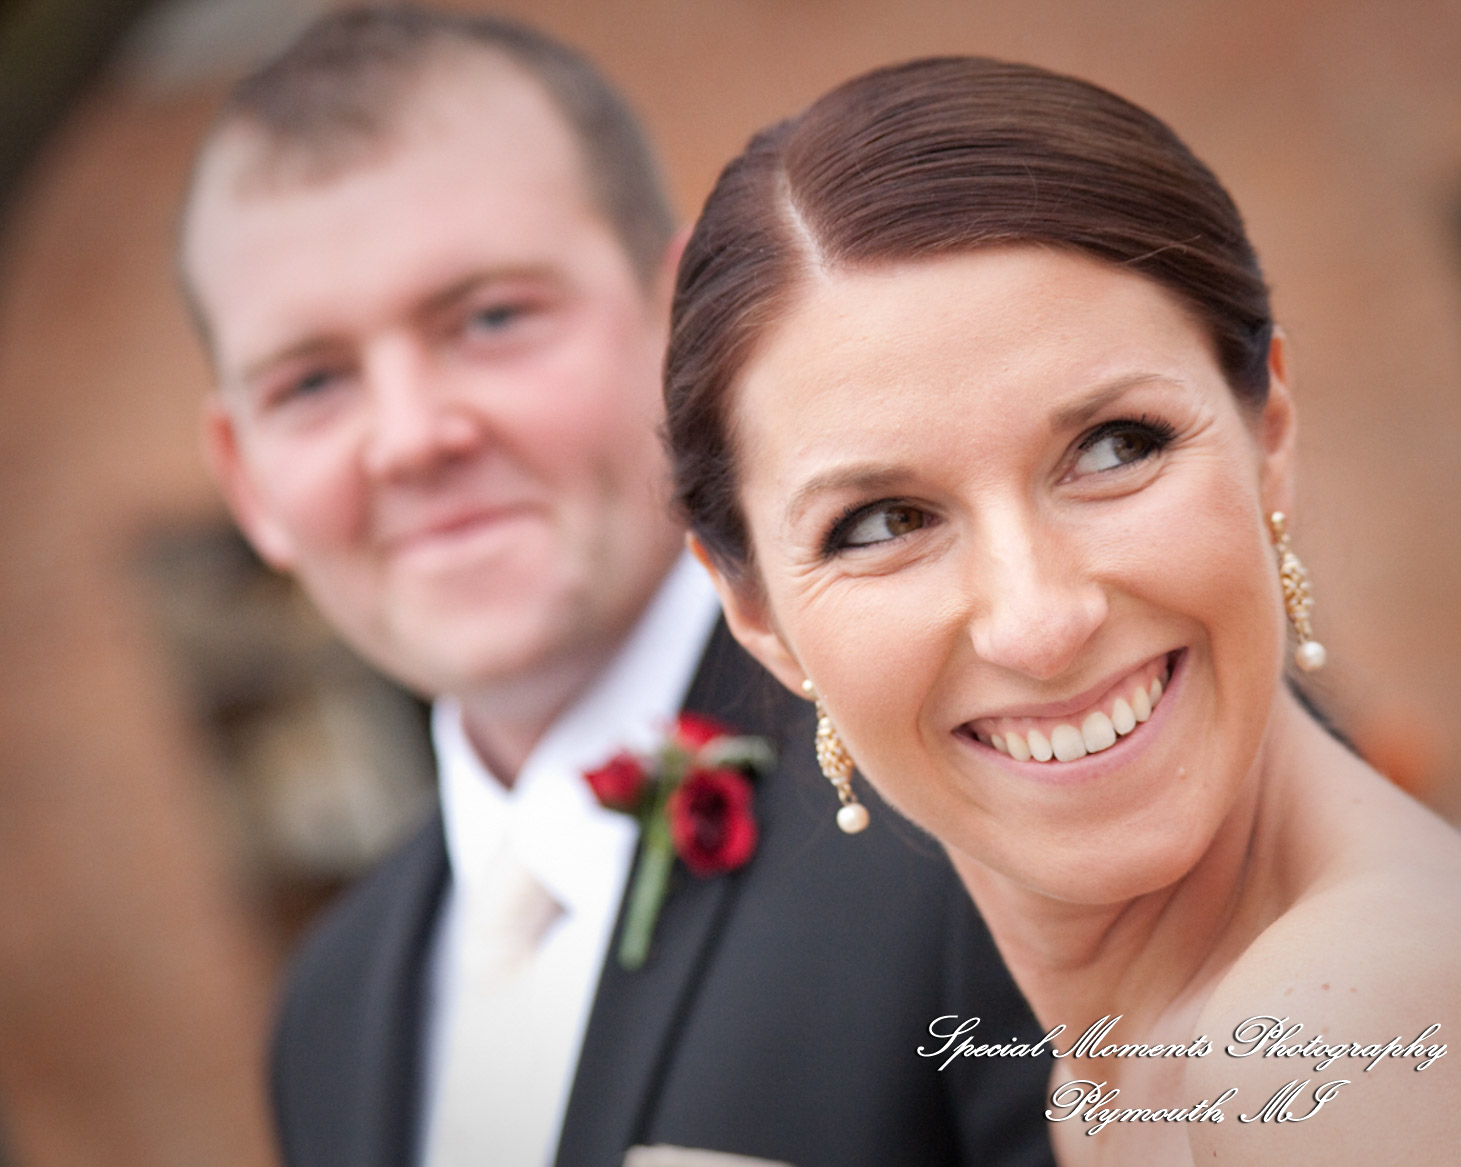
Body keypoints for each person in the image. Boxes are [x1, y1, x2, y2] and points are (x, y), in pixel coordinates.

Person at [178, 10, 1054, 1167]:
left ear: (679, 321)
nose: (409, 439)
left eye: (492, 318)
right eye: (310, 384)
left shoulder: (1004, 780)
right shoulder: (327, 1016)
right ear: (247, 480)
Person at [664, 56, 1461, 1165]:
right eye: (881, 522)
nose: (1039, 620)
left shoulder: (1344, 1034)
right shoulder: (1116, 1068)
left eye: (1115, 448)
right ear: (753, 610)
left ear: (1271, 436)